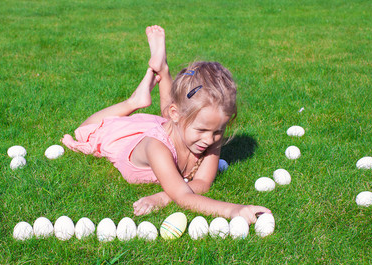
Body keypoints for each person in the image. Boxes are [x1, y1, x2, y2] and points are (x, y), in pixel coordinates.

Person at [62, 25, 270, 224]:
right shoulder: (157, 147)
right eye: (202, 130)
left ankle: (162, 68)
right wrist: (233, 210)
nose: (209, 140)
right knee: (85, 131)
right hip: (127, 140)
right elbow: (183, 195)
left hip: (172, 124)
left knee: (175, 114)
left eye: (218, 130)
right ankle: (134, 101)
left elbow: (203, 184)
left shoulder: (207, 133)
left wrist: (162, 197)